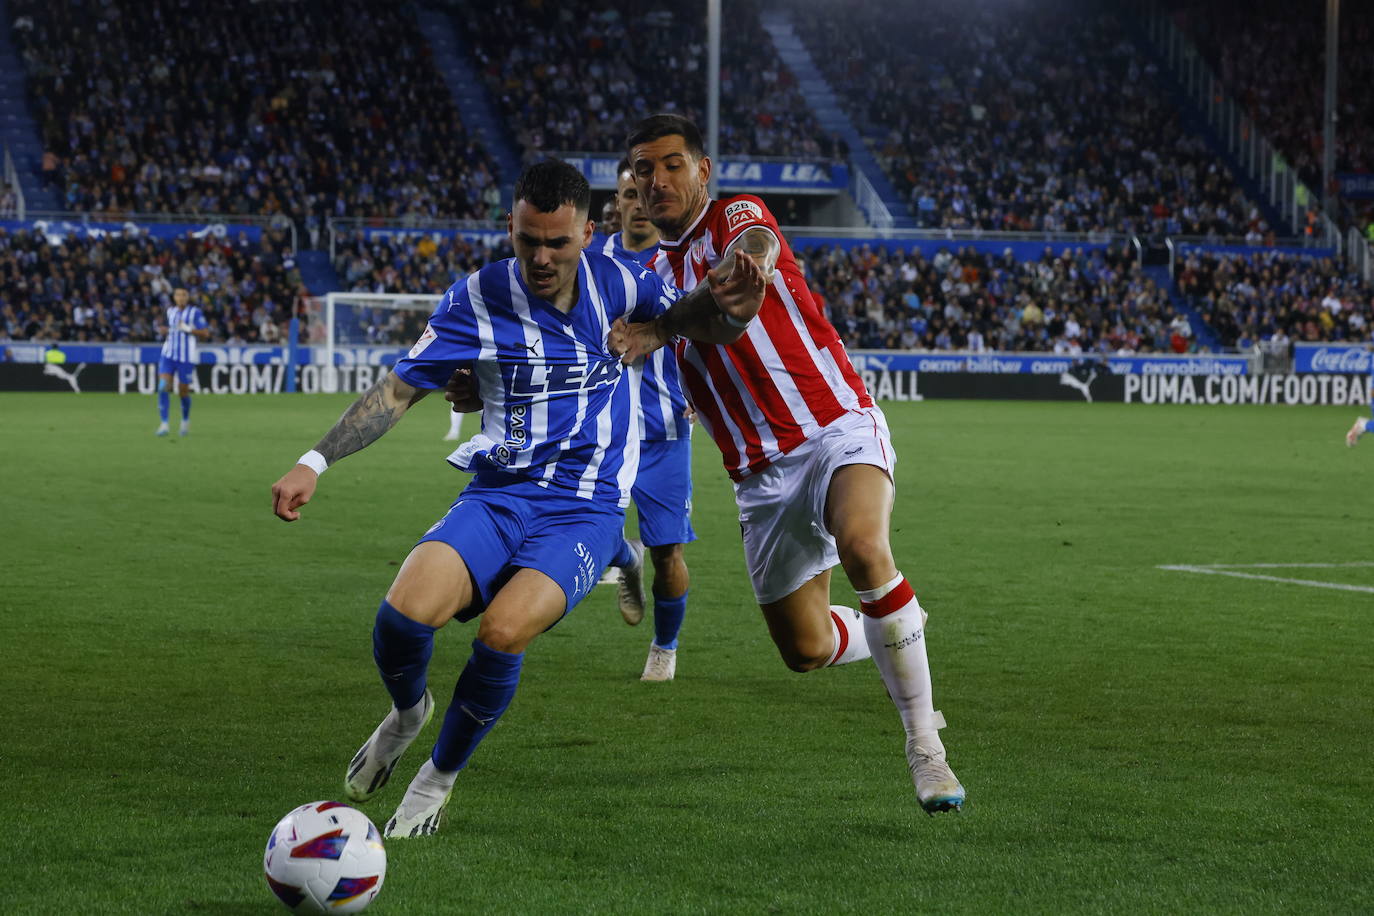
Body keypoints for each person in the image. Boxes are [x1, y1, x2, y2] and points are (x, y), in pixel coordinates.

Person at [269, 159, 766, 839]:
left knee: (502, 634)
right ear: (511, 226)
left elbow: (701, 319)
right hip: (498, 493)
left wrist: (735, 299)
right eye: (527, 239)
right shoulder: (474, 297)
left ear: (589, 233)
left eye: (557, 242)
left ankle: (436, 780)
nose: (541, 256)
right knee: (401, 621)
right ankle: (409, 713)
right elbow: (397, 392)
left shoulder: (625, 282)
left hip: (585, 509)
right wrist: (313, 461)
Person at [611, 114, 965, 813]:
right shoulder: (648, 280)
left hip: (834, 425)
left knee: (866, 548)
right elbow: (699, 320)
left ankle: (925, 745)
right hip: (759, 478)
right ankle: (902, 627)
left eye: (673, 164)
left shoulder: (737, 218)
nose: (658, 181)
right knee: (803, 650)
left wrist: (730, 282)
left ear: (702, 171)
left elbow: (751, 259)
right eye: (644, 171)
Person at [593, 158, 695, 681]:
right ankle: (622, 559)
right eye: (626, 195)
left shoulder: (680, 263)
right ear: (617, 201)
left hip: (664, 430)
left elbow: (710, 333)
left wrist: (702, 391)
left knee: (668, 550)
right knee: (587, 533)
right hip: (602, 430)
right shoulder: (591, 259)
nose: (635, 204)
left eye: (642, 194)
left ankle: (665, 646)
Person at [155, 288, 208, 437]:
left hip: (186, 357)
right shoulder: (170, 311)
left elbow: (205, 333)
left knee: (183, 390)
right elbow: (168, 328)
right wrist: (165, 330)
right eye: (178, 295)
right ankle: (164, 424)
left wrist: (188, 329)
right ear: (174, 297)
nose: (181, 298)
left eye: (184, 295)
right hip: (168, 354)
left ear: (188, 297)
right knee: (163, 386)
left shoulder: (195, 313)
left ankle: (185, 421)